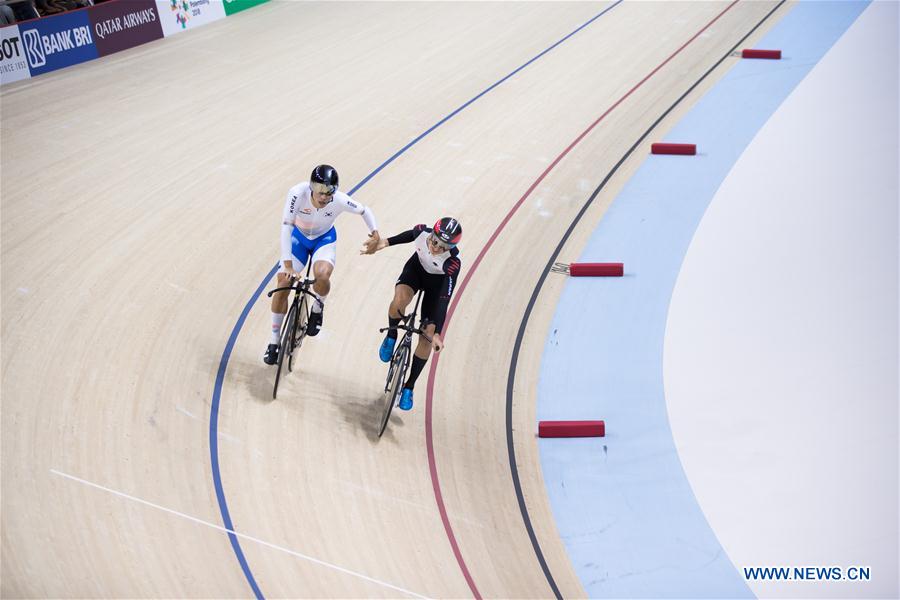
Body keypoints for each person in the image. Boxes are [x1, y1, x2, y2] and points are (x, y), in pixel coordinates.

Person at [264, 165, 379, 365]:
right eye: (319, 190)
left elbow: (364, 210)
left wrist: (375, 233)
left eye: (329, 191)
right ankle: (274, 342)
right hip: (297, 238)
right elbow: (286, 228)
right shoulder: (296, 194)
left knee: (323, 275)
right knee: (282, 283)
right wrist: (288, 266)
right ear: (311, 186)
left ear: (335, 190)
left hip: (323, 240)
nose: (324, 196)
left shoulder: (340, 200)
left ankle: (318, 308)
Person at [362, 217, 462, 410]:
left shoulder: (452, 264)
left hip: (436, 288)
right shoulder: (421, 232)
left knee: (427, 337)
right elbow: (409, 235)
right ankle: (392, 336)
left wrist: (438, 333)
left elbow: (444, 300)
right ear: (431, 234)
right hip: (415, 272)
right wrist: (384, 242)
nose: (436, 248)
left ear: (450, 247)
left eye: (443, 247)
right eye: (435, 242)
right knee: (399, 300)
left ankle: (409, 386)